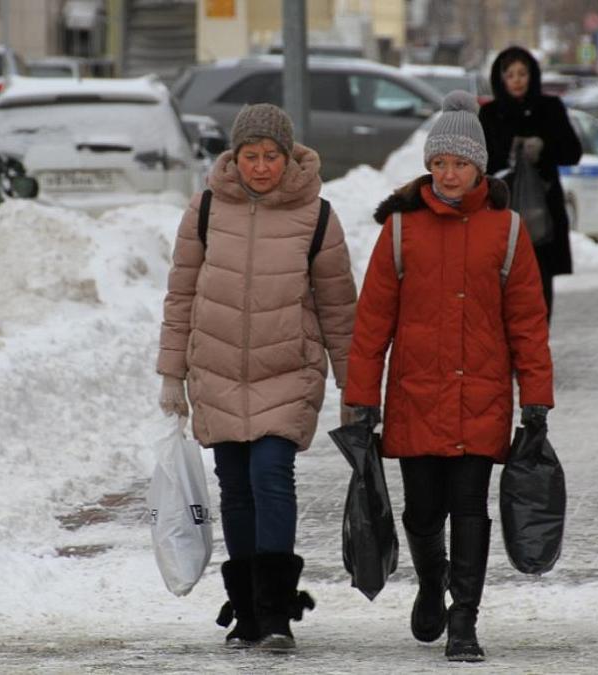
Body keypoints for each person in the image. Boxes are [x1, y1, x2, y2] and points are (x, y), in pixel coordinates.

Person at [345, 91, 554, 662]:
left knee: (469, 508)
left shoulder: (506, 231)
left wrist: (535, 398)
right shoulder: (400, 230)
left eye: (460, 163)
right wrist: (362, 399)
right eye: (439, 163)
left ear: (479, 166)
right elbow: (372, 324)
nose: (449, 174)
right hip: (415, 395)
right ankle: (431, 580)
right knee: (421, 510)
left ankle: (464, 621)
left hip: (482, 395)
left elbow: (528, 323)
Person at [156, 103, 358, 651]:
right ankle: (246, 612)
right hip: (217, 369)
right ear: (235, 156)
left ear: (288, 156)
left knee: (271, 474)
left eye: (272, 156)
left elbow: (339, 308)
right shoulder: (204, 210)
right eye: (251, 156)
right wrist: (172, 373)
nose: (262, 167)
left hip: (286, 370)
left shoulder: (317, 216)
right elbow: (180, 296)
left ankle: (274, 614)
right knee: (236, 487)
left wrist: (353, 385)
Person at [479, 45, 583, 321]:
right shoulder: (489, 114)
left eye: (522, 73)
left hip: (541, 213)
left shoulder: (549, 109)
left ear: (532, 75)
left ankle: (537, 343)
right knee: (502, 287)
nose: (517, 80)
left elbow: (572, 153)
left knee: (539, 286)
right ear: (500, 78)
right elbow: (481, 162)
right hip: (501, 213)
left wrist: (543, 149)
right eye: (510, 74)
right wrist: (509, 152)